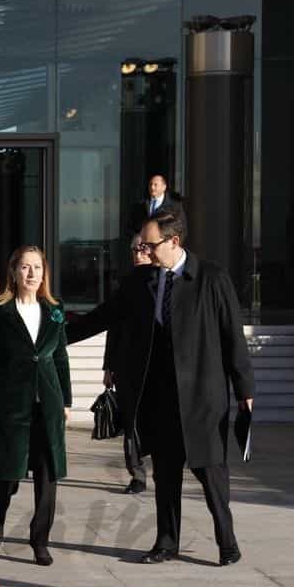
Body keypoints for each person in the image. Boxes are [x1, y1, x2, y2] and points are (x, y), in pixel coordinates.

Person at [67, 215, 254, 566]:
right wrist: (52, 335)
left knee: (211, 473)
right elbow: (101, 317)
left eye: (150, 245)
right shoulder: (140, 281)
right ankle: (166, 543)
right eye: (142, 245)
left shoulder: (211, 278)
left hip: (202, 398)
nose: (145, 252)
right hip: (159, 398)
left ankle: (227, 542)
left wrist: (245, 388)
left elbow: (232, 337)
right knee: (166, 475)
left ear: (174, 242)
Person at [0, 246, 72, 567]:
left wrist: (66, 399)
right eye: (25, 268)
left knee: (47, 474)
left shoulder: (55, 311)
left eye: (37, 268)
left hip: (48, 403)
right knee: (10, 473)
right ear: (14, 272)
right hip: (10, 403)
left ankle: (40, 540)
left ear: (45, 274)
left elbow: (60, 358)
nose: (32, 274)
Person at [104, 232, 152, 494]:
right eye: (134, 250)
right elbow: (113, 327)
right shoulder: (124, 286)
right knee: (131, 421)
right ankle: (137, 473)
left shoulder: (166, 283)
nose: (138, 254)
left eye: (143, 249)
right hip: (125, 366)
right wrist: (108, 366)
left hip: (154, 368)